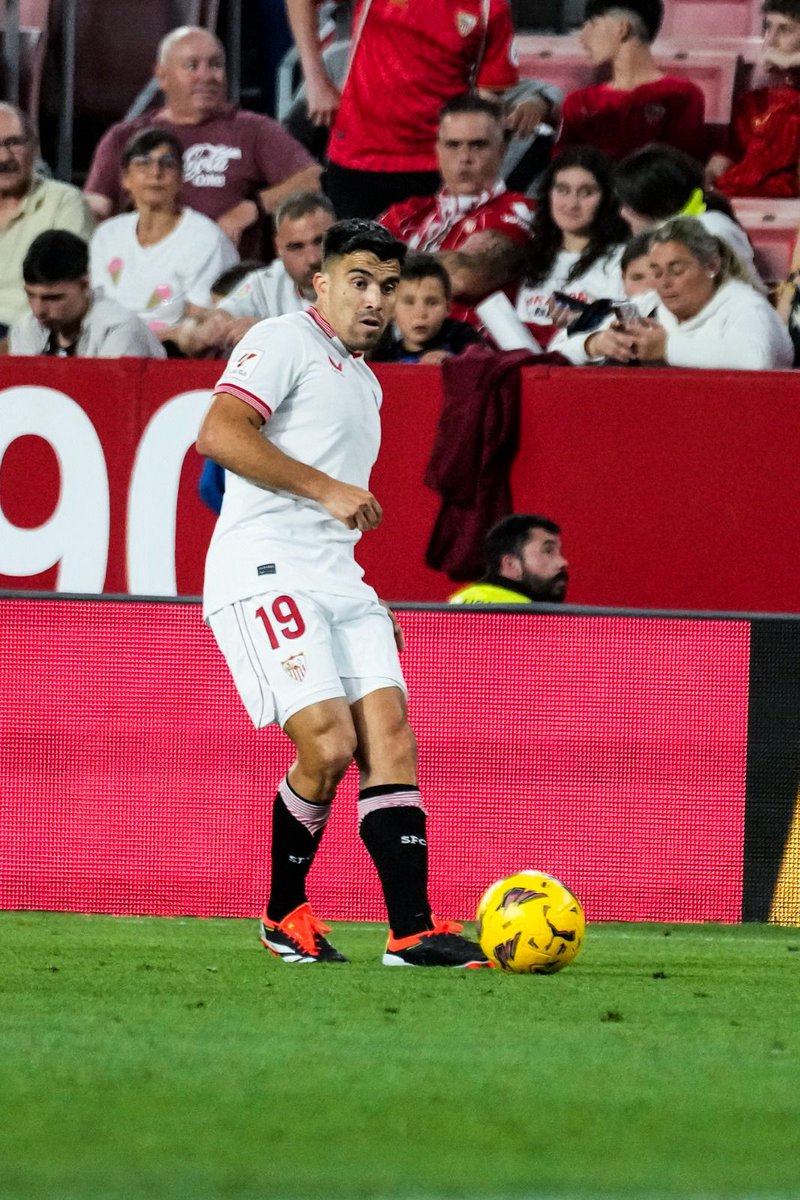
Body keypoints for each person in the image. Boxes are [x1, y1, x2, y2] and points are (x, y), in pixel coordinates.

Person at [195, 217, 489, 968]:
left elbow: (329, 512)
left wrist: (363, 590)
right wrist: (325, 488)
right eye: (359, 281)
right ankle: (281, 913)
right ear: (319, 282)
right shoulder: (282, 338)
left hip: (338, 579)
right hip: (264, 568)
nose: (375, 301)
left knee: (390, 734)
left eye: (387, 288)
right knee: (328, 745)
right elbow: (220, 435)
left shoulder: (363, 379)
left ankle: (411, 931)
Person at [285, 0, 557, 218]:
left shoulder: (490, 7)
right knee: (360, 275)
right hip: (358, 157)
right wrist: (316, 80)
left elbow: (486, 104)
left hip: (438, 168)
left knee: (426, 278)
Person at [83, 26, 322, 255]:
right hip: (147, 270)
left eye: (215, 65)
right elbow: (95, 208)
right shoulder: (124, 137)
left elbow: (314, 179)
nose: (206, 76)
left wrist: (254, 207)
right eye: (192, 66)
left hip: (231, 280)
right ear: (162, 76)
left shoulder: (254, 130)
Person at [553, 217, 793, 369]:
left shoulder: (745, 306)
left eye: (677, 270)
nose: (664, 283)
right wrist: (596, 344)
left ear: (711, 266)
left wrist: (666, 348)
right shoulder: (648, 304)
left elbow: (755, 360)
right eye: (656, 272)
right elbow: (556, 350)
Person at [380, 95, 537, 324]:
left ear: (502, 150)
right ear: (438, 150)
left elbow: (464, 276)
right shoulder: (406, 213)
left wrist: (381, 261)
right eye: (453, 145)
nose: (464, 158)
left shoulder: (518, 210)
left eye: (478, 145)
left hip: (467, 349)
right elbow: (351, 267)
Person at [89, 127, 238, 335]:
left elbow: (201, 328)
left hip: (172, 357)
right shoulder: (107, 236)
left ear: (181, 177)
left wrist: (136, 342)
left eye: (167, 164)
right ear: (125, 178)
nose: (155, 173)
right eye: (143, 163)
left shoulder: (205, 239)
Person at [181, 191, 336, 356]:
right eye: (296, 247)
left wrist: (269, 334)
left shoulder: (362, 279)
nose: (312, 259)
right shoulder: (266, 283)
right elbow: (195, 334)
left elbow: (349, 347)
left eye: (320, 242)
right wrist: (206, 328)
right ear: (279, 248)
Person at [555, 0, 705, 162]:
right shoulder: (580, 102)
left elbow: (678, 167)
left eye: (593, 24)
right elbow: (563, 162)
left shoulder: (681, 95)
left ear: (622, 29)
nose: (582, 38)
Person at [514, 147, 630, 344]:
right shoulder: (531, 257)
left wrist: (588, 322)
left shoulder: (623, 258)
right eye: (562, 190)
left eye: (586, 192)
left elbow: (635, 323)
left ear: (608, 198)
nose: (571, 203)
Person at [0, 103, 94, 335]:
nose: (3, 157)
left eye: (13, 143)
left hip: (30, 334)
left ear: (35, 147)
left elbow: (69, 299)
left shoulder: (64, 203)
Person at [614, 144, 763, 289]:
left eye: (628, 205)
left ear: (653, 203)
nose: (622, 213)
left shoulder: (710, 232)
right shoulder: (674, 234)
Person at [6, 230, 165, 358]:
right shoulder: (26, 328)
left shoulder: (118, 329)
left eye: (52, 298)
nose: (38, 311)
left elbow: (113, 395)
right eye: (31, 296)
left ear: (84, 284)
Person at [706, 0, 800, 198]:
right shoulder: (752, 101)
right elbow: (727, 156)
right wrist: (708, 177)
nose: (771, 40)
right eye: (768, 27)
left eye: (785, 30)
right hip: (733, 195)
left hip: (783, 203)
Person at [372, 253, 485, 363]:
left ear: (448, 307)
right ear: (391, 309)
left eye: (432, 303)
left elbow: (488, 367)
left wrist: (454, 362)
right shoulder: (385, 359)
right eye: (409, 302)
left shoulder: (462, 337)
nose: (421, 313)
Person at [449, 514, 569, 604]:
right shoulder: (530, 619)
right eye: (548, 551)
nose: (563, 562)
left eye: (560, 552)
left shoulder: (456, 603)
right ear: (511, 564)